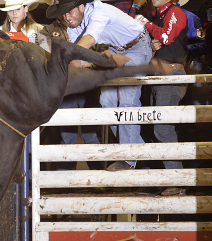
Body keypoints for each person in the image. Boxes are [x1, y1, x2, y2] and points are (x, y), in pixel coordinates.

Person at [47, 0, 152, 171]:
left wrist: (65, 56)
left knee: (127, 100)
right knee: (106, 101)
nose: (67, 17)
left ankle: (128, 159)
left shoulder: (99, 11)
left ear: (81, 6)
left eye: (70, 12)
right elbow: (76, 61)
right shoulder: (73, 25)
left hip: (138, 46)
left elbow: (89, 39)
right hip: (118, 50)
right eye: (64, 13)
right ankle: (144, 154)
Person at [136, 0, 187, 196]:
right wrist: (152, 45)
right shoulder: (160, 15)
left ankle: (177, 181)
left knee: (162, 128)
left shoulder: (174, 11)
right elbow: (163, 40)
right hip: (160, 77)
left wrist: (145, 23)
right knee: (157, 128)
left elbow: (166, 36)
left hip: (170, 76)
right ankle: (171, 180)